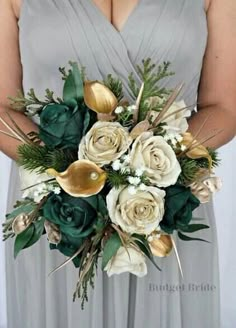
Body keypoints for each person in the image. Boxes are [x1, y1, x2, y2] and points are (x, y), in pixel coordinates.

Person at [0, 0, 235, 327]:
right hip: (57, 218)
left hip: (162, 210)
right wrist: (65, 170)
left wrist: (152, 164)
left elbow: (224, 106)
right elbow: (2, 108)